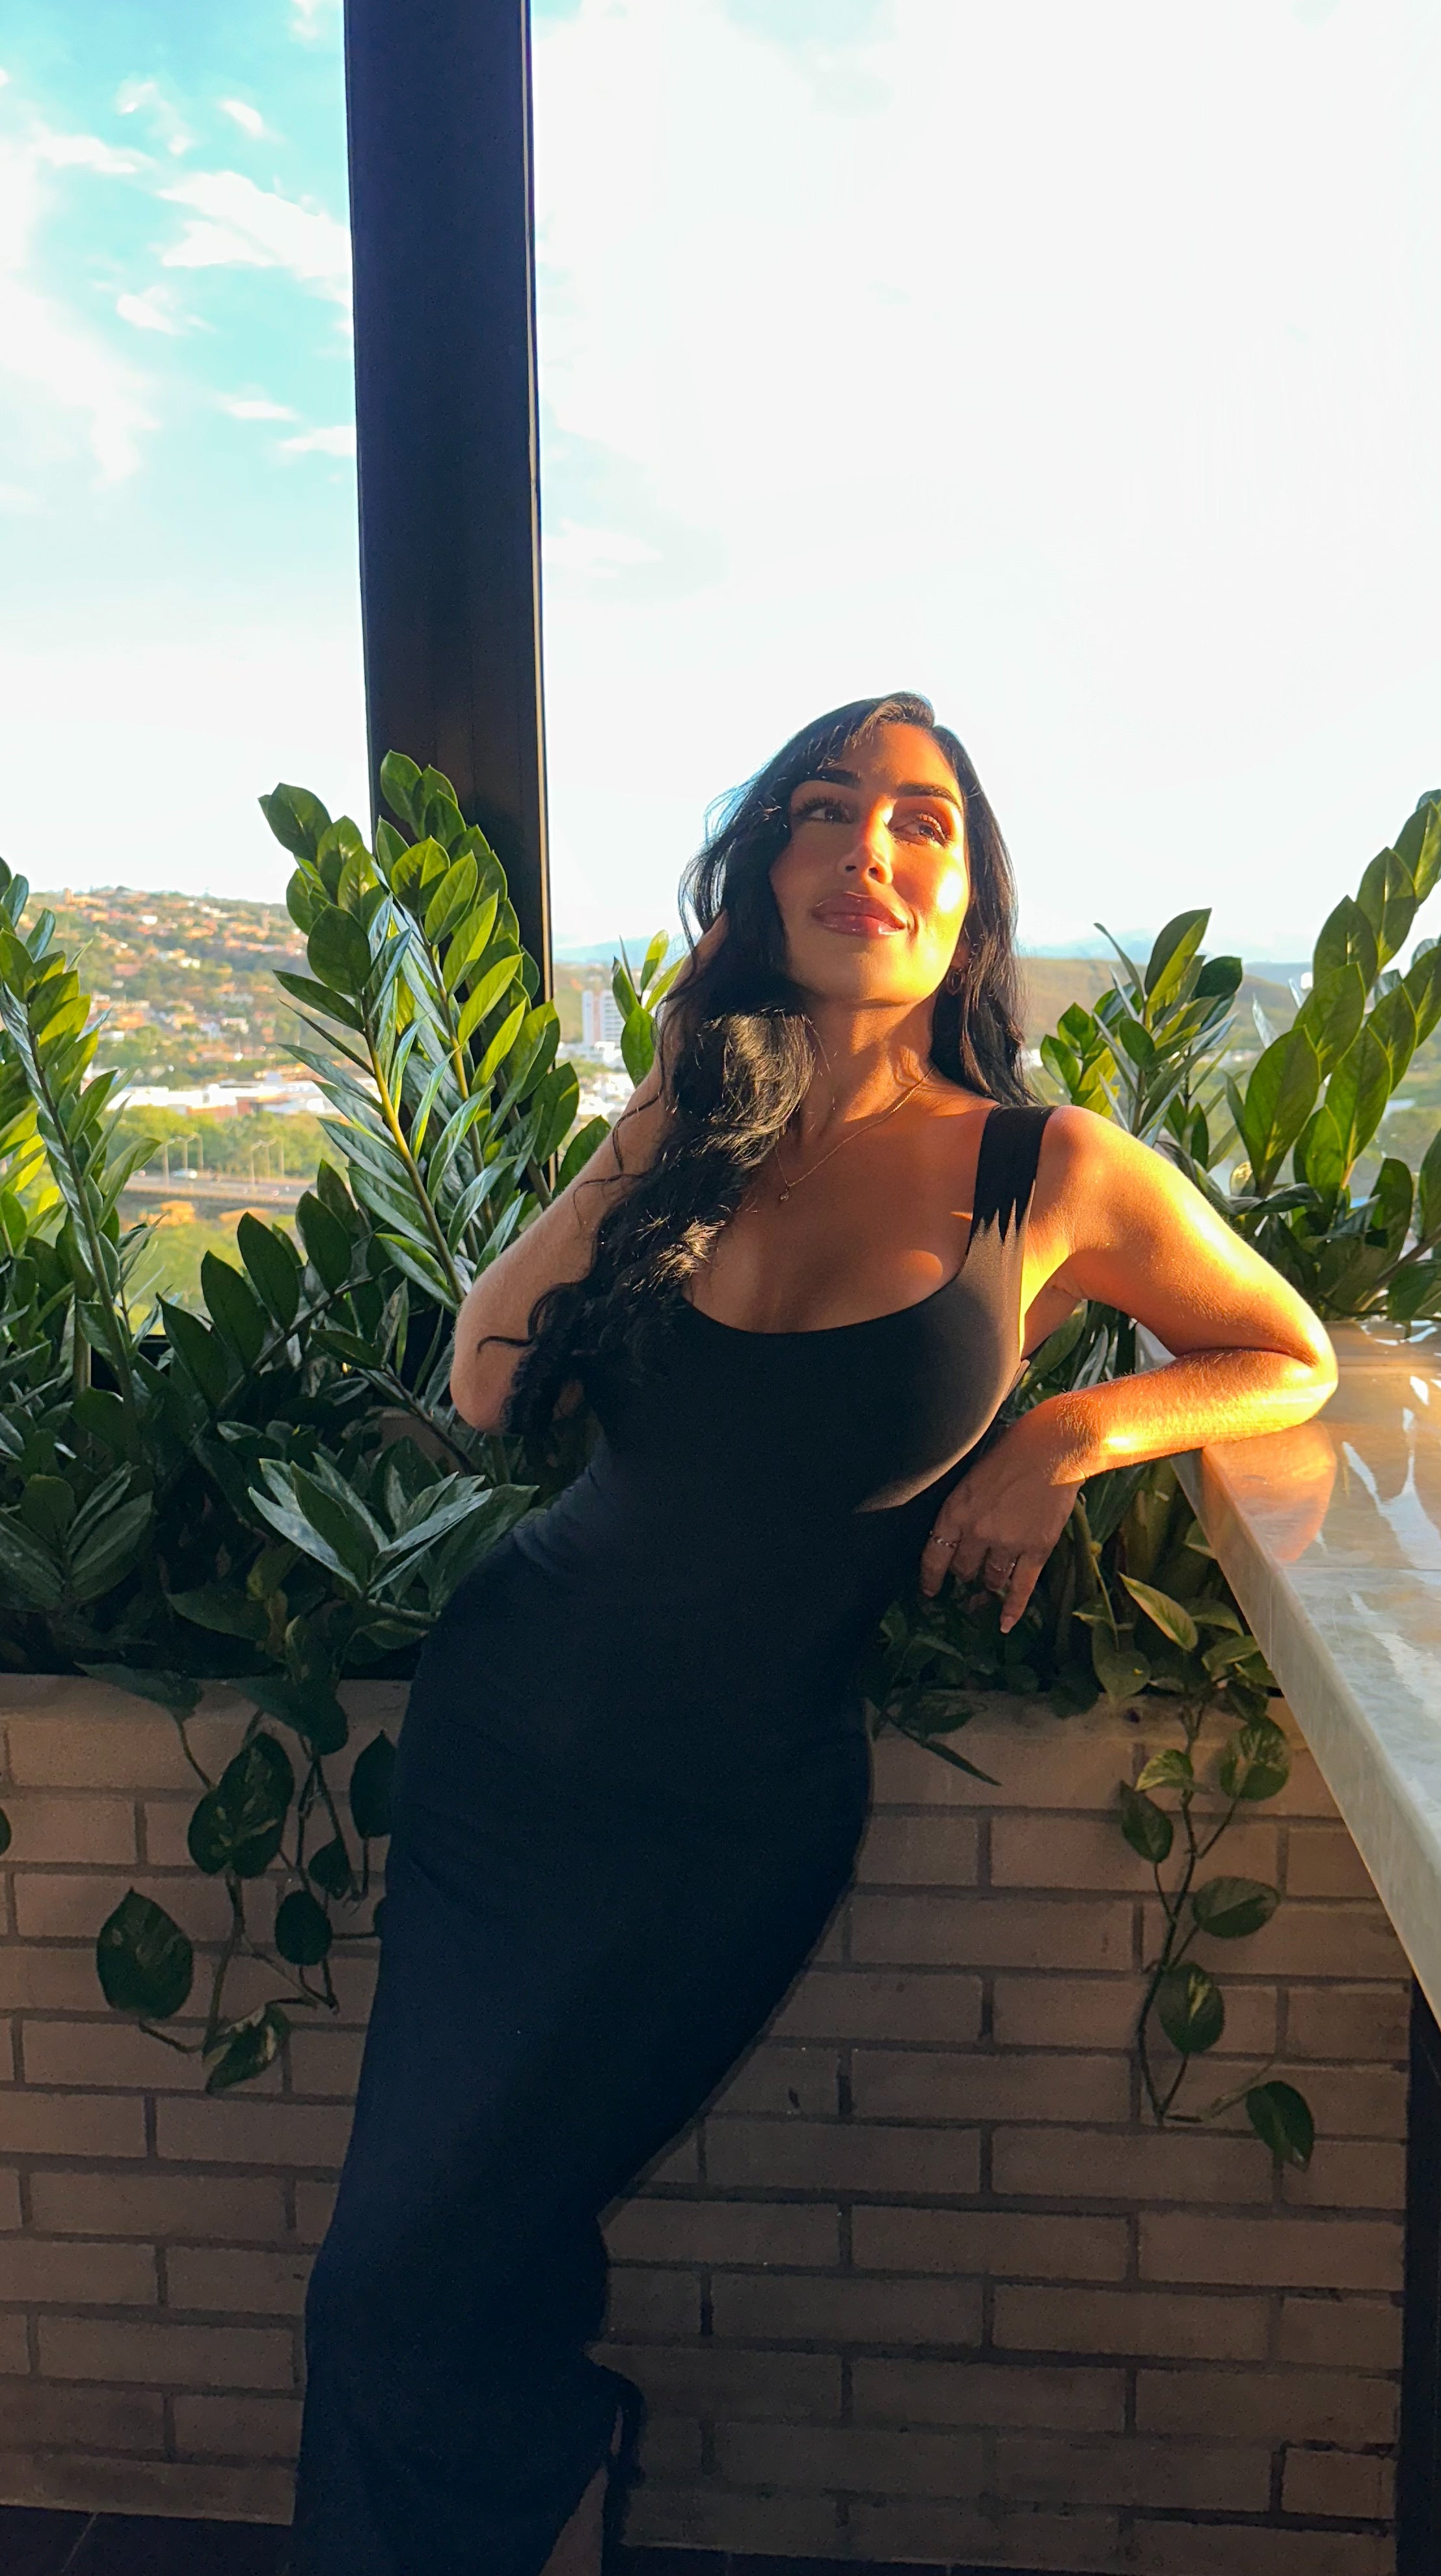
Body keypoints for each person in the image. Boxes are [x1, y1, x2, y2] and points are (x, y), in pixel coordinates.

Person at [288, 692, 1335, 2576]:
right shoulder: (689, 1138)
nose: (870, 849)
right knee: (416, 2245)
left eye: (922, 822)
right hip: (508, 1747)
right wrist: (644, 1131)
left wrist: (1069, 1435)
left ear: (969, 898)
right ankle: (538, 2495)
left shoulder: (1046, 1168)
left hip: (733, 1807)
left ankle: (547, 2466)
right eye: (825, 808)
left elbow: (1286, 1354)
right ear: (764, 868)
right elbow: (491, 1382)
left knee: (452, 2234)